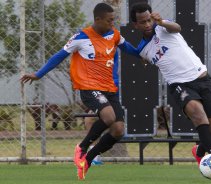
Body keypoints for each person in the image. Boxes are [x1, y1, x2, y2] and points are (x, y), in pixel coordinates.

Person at [21, 3, 138, 180]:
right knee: (108, 117)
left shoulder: (114, 35)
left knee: (118, 130)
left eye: (113, 20)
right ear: (97, 20)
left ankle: (87, 160)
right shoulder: (81, 37)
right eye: (109, 20)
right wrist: (38, 74)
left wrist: (144, 55)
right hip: (89, 87)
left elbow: (128, 48)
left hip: (109, 89)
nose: (112, 23)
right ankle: (82, 147)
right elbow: (59, 56)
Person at [130, 3, 211, 179]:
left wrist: (161, 22)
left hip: (203, 79)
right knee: (198, 114)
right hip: (179, 85)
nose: (147, 24)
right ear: (135, 25)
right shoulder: (142, 49)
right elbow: (143, 57)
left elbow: (177, 27)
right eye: (142, 22)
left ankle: (199, 150)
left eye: (148, 20)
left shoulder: (163, 27)